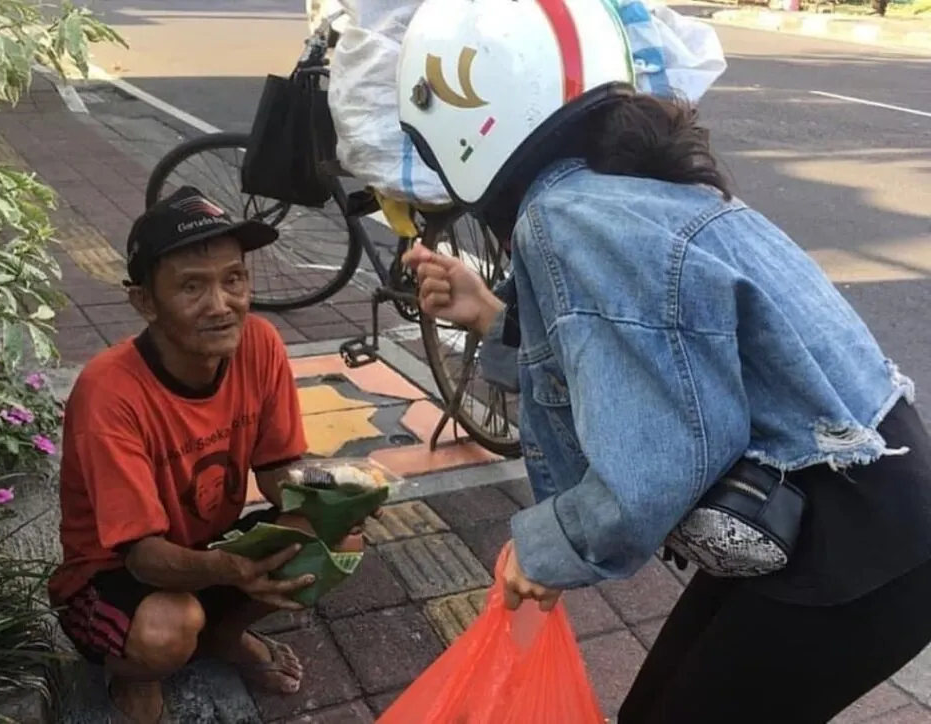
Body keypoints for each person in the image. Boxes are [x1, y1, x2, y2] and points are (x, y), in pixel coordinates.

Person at [397, 0, 931, 721]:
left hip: (852, 552)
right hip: (849, 511)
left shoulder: (567, 217)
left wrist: (546, 551)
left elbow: (663, 452)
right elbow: (645, 352)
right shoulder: (620, 194)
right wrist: (494, 317)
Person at [49, 187, 323, 724]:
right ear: (145, 302)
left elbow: (275, 472)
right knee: (168, 628)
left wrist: (335, 497)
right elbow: (142, 557)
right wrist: (232, 568)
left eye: (234, 279)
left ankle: (223, 635)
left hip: (206, 549)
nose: (222, 305)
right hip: (111, 576)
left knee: (331, 534)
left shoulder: (260, 344)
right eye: (192, 287)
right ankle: (136, 677)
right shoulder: (109, 391)